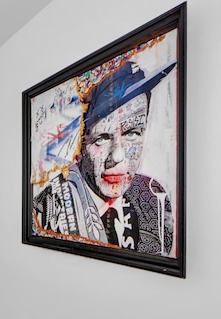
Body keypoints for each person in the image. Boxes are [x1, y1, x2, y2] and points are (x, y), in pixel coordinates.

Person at [33, 60, 176, 256]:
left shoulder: (152, 198)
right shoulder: (48, 208)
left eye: (132, 133)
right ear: (81, 143)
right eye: (101, 138)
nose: (117, 156)